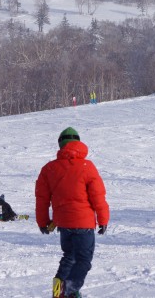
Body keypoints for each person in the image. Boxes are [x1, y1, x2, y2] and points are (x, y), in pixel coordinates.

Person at [35, 127, 110, 298]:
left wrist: (43, 222)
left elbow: (42, 199)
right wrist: (103, 219)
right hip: (84, 223)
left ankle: (58, 290)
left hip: (64, 224)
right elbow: (98, 196)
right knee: (83, 260)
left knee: (69, 256)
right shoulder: (87, 166)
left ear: (61, 145)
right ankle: (68, 292)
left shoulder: (49, 169)